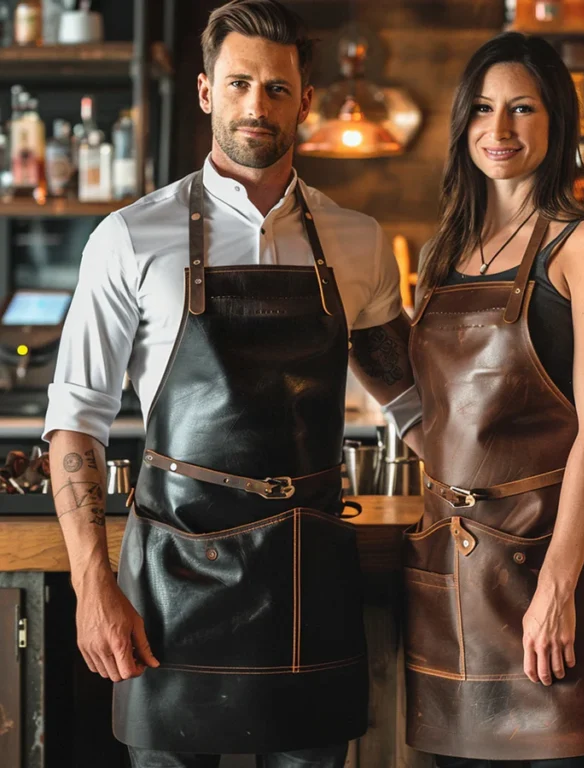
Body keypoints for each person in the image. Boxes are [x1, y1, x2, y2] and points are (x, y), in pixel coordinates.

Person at [43, 1, 419, 766]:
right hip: (172, 580)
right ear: (207, 90)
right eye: (240, 84)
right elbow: (75, 421)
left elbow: (415, 403)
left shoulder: (358, 240)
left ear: (306, 101)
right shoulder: (128, 236)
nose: (258, 105)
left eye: (277, 88)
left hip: (308, 575)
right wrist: (92, 585)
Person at [402, 32, 584, 766]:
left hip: (551, 567)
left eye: (523, 109)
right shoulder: (441, 254)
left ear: (557, 123)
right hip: (455, 580)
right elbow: (441, 417)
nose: (500, 130)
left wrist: (556, 585)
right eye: (482, 109)